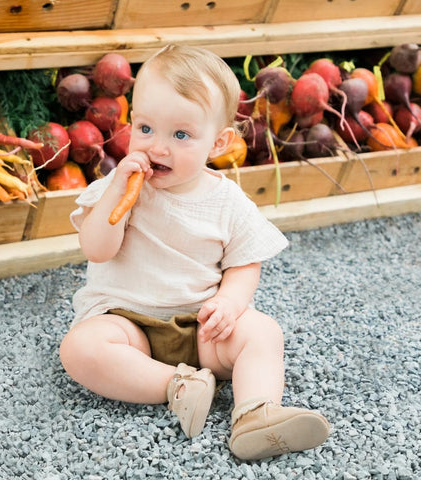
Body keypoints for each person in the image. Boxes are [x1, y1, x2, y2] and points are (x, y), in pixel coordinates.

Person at [59, 44, 330, 460]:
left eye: (181, 135)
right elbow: (96, 249)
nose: (158, 147)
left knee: (263, 332)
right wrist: (117, 194)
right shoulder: (118, 188)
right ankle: (177, 385)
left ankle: (256, 414)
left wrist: (228, 302)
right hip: (127, 324)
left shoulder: (228, 201)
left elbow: (245, 263)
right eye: (146, 129)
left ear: (218, 142)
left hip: (202, 326)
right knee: (80, 349)